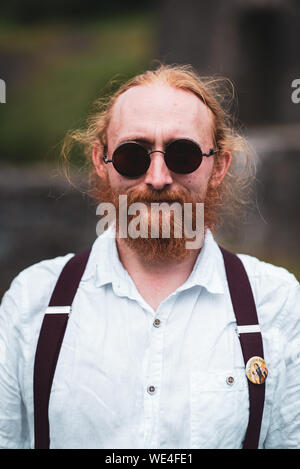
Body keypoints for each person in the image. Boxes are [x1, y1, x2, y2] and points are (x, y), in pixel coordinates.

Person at [0, 64, 299, 449]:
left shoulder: (275, 303)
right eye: (132, 155)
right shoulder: (32, 302)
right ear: (100, 162)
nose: (157, 177)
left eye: (183, 154)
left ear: (219, 166)